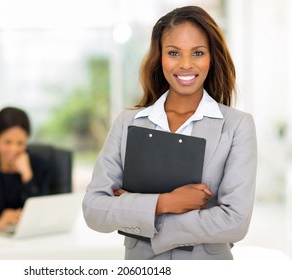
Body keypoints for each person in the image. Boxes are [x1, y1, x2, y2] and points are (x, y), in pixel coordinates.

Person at [82, 6, 257, 260]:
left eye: (197, 53)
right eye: (174, 53)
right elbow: (94, 210)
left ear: (212, 57)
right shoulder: (128, 123)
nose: (185, 64)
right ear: (159, 57)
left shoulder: (237, 126)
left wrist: (138, 212)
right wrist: (166, 203)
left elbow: (235, 221)